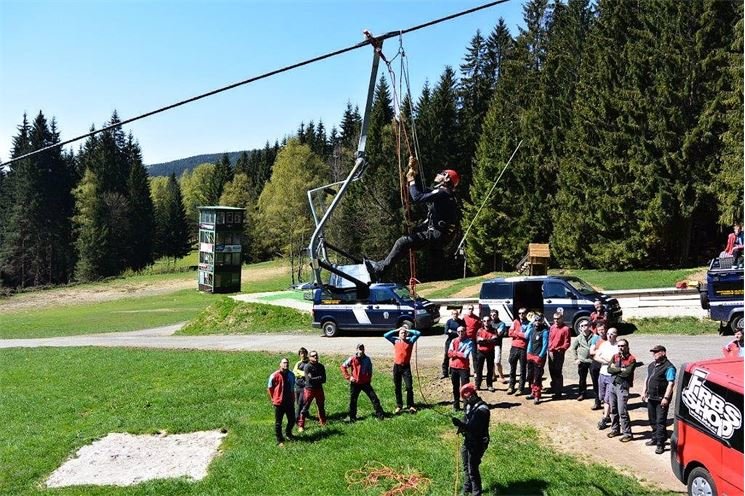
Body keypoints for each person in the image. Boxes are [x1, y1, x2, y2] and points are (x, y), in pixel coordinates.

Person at [365, 156, 460, 280]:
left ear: (447, 178)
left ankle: (380, 269)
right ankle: (382, 270)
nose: (438, 174)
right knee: (406, 243)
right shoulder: (445, 193)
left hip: (436, 235)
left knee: (402, 242)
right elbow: (422, 191)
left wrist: (411, 180)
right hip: (439, 236)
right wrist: (414, 173)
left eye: (442, 173)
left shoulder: (443, 193)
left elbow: (417, 197)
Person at [451, 383, 490, 496]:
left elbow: (474, 429)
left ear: (473, 395)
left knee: (472, 468)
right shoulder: (469, 406)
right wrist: (461, 425)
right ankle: (467, 488)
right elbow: (466, 419)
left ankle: (476, 493)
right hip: (468, 440)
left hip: (478, 442)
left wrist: (462, 425)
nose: (465, 401)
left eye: (466, 398)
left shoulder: (482, 410)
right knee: (465, 466)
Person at [641, 345, 676, 454]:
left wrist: (666, 398)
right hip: (651, 397)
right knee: (652, 420)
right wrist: (644, 391)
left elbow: (671, 383)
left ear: (663, 353)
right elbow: (647, 378)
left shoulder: (669, 367)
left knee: (660, 421)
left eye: (656, 352)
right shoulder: (652, 365)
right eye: (653, 352)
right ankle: (655, 437)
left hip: (661, 398)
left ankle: (660, 444)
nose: (654, 354)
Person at [383, 324, 422, 414]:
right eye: (401, 333)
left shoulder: (410, 341)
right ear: (399, 334)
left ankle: (411, 405)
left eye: (404, 333)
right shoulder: (395, 341)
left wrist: (409, 331)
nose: (403, 334)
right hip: (397, 367)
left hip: (406, 367)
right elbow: (386, 335)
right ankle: (399, 405)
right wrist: (397, 329)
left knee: (409, 387)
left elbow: (418, 333)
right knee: (397, 387)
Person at [340, 344, 385, 422]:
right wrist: (349, 377)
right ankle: (352, 417)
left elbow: (370, 370)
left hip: (365, 383)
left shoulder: (367, 359)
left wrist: (368, 378)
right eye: (360, 348)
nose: (361, 350)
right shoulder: (352, 358)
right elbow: (343, 367)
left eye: (362, 348)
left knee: (374, 398)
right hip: (355, 383)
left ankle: (380, 415)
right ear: (356, 349)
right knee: (353, 400)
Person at [606, 338, 636, 442]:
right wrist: (620, 369)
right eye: (619, 346)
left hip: (623, 386)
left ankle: (627, 433)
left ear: (627, 347)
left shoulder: (632, 359)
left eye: (623, 346)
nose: (621, 348)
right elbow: (609, 369)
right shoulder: (615, 356)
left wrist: (616, 370)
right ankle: (615, 429)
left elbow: (627, 373)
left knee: (622, 411)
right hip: (613, 384)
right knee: (613, 409)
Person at [267, 357, 296, 446]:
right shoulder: (274, 375)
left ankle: (288, 433)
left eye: (287, 362)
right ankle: (280, 440)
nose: (286, 364)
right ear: (280, 364)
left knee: (292, 420)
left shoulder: (291, 375)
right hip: (279, 403)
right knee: (278, 423)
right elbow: (270, 388)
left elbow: (292, 387)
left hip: (289, 402)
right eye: (284, 363)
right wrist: (273, 399)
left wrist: (293, 398)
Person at [594, 327, 619, 429]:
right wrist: (607, 361)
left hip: (612, 375)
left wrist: (610, 362)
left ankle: (605, 418)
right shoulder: (603, 345)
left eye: (612, 334)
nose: (609, 335)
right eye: (608, 333)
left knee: (608, 398)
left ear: (616, 335)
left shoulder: (618, 346)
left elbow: (618, 361)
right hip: (602, 373)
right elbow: (596, 356)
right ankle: (608, 414)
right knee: (602, 396)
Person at [298, 350, 327, 432]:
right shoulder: (307, 367)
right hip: (309, 389)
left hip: (319, 389)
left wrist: (314, 378)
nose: (316, 357)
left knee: (321, 406)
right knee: (305, 407)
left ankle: (323, 422)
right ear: (310, 358)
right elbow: (308, 380)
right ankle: (301, 425)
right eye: (313, 356)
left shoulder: (321, 366)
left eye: (316, 355)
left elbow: (324, 379)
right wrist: (319, 378)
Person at [525, 313, 549, 405]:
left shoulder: (544, 331)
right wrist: (528, 353)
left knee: (537, 377)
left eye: (539, 320)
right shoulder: (532, 329)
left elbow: (545, 345)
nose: (537, 322)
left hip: (539, 356)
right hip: (531, 355)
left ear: (542, 321)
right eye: (535, 320)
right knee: (530, 375)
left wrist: (540, 356)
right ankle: (532, 392)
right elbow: (529, 340)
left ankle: (537, 395)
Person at [448, 326, 474, 411]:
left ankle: (466, 406)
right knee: (455, 387)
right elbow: (449, 353)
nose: (460, 333)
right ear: (457, 332)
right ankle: (456, 405)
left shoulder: (469, 342)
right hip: (453, 367)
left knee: (465, 388)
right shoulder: (453, 341)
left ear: (465, 331)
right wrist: (458, 353)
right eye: (458, 331)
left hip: (463, 368)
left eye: (462, 331)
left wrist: (455, 353)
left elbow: (465, 355)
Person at [548, 312, 571, 399]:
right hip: (550, 352)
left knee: (558, 372)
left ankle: (558, 392)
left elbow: (567, 343)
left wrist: (560, 349)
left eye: (558, 319)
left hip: (559, 353)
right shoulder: (552, 327)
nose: (556, 321)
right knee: (551, 370)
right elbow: (550, 338)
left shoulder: (566, 329)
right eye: (554, 319)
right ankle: (553, 387)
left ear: (562, 319)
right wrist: (550, 348)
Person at [507, 308, 529, 395]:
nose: (521, 315)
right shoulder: (515, 322)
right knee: (512, 368)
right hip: (514, 347)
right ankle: (511, 386)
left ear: (526, 314)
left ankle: (520, 388)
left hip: (523, 348)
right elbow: (510, 333)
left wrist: (516, 333)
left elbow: (526, 336)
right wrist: (520, 334)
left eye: (523, 313)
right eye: (519, 313)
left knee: (522, 369)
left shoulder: (529, 323)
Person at [571, 320, 595, 401]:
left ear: (589, 326)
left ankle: (597, 395)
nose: (584, 327)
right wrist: (576, 358)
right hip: (582, 361)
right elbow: (573, 348)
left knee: (595, 378)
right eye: (582, 326)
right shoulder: (578, 338)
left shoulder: (594, 337)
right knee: (582, 379)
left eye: (585, 325)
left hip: (592, 361)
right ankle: (582, 393)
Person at [475, 315, 497, 392]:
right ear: (482, 322)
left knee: (490, 369)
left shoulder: (494, 330)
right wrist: (489, 340)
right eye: (484, 321)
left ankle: (489, 385)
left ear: (490, 321)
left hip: (490, 352)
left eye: (488, 321)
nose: (486, 322)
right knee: (479, 369)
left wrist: (483, 340)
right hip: (480, 352)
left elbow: (495, 341)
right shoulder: (479, 330)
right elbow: (478, 341)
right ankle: (477, 384)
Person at [588, 322, 608, 410]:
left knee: (606, 383)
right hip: (596, 363)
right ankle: (597, 402)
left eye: (602, 329)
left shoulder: (609, 338)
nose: (601, 331)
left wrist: (598, 351)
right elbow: (591, 351)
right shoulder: (595, 338)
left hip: (605, 363)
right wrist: (601, 351)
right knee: (595, 383)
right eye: (599, 330)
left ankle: (607, 403)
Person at [442, 309, 464, 379]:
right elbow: (446, 331)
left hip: (457, 342)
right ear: (452, 314)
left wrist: (451, 331)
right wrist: (456, 332)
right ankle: (444, 372)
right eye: (454, 314)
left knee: (455, 356)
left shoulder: (460, 321)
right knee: (446, 356)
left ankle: (452, 371)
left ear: (458, 314)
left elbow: (462, 332)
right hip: (449, 341)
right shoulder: (449, 321)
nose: (455, 315)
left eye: (456, 314)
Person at [489, 309, 508, 383]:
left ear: (497, 315)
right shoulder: (489, 323)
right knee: (491, 361)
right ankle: (493, 375)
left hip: (497, 345)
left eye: (494, 315)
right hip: (489, 344)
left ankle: (501, 375)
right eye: (491, 315)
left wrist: (490, 335)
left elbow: (498, 334)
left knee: (497, 361)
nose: (492, 316)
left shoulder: (501, 324)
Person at [292, 347, 310, 425]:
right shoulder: (298, 363)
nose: (302, 355)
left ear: (306, 353)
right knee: (298, 402)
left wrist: (300, 373)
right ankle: (306, 413)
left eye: (304, 353)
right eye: (301, 353)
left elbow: (308, 374)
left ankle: (296, 419)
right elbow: (294, 372)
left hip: (305, 386)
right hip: (297, 385)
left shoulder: (309, 363)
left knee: (300, 402)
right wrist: (302, 373)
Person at [462, 304, 481, 374]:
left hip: (473, 340)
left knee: (474, 356)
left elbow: (480, 329)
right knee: (465, 355)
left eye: (472, 309)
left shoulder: (476, 318)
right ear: (467, 309)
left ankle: (476, 372)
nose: (470, 310)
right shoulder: (464, 318)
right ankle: (465, 370)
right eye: (469, 309)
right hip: (465, 339)